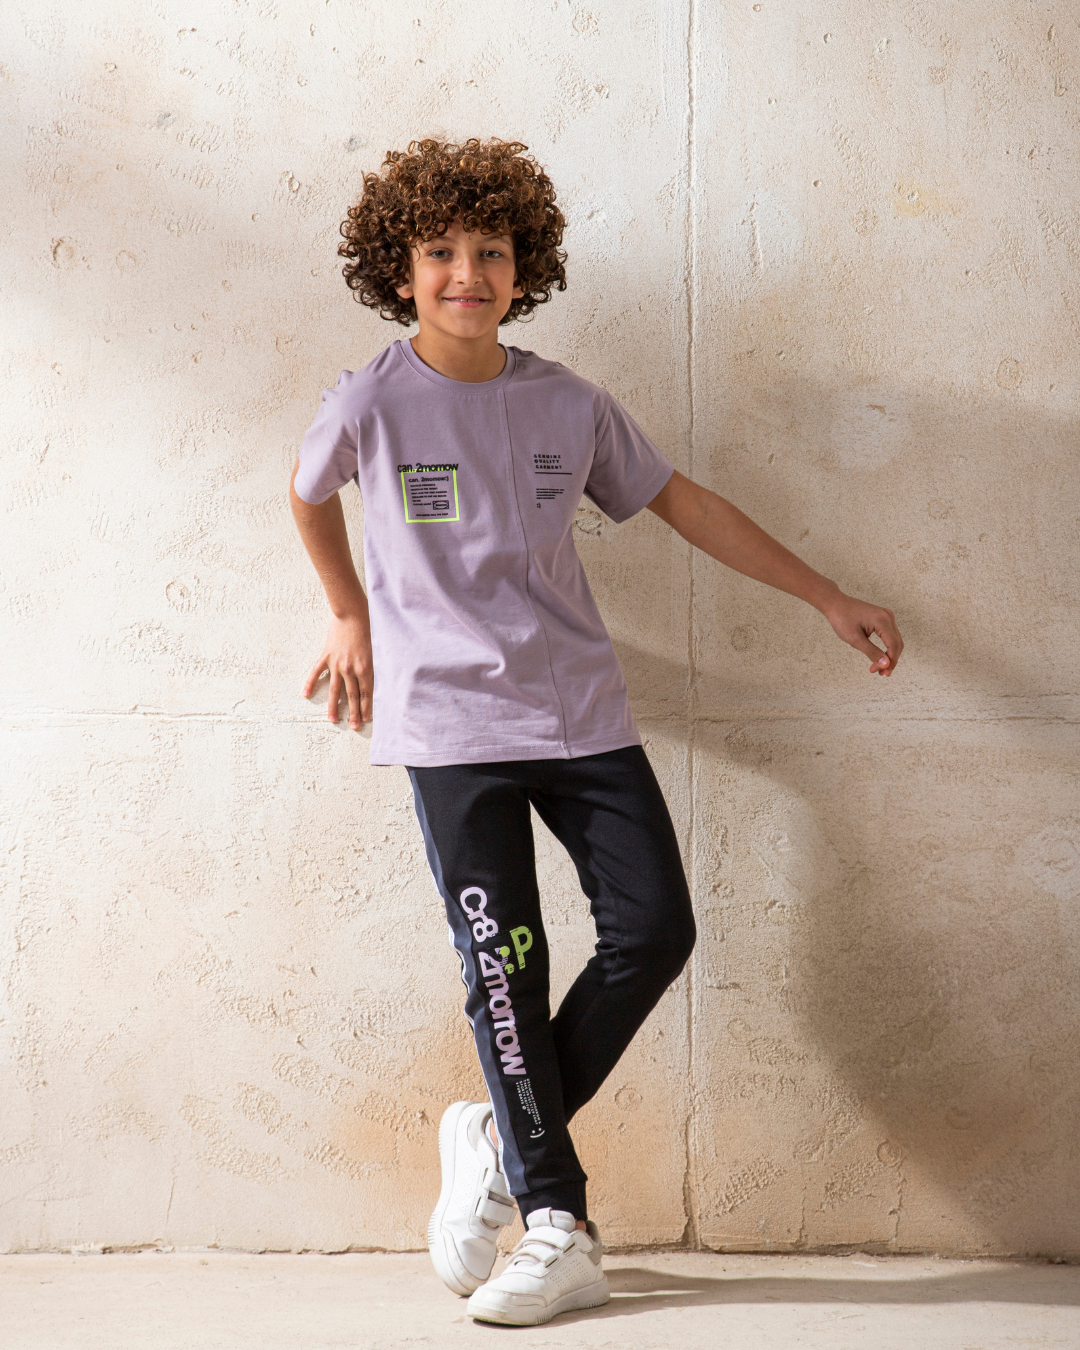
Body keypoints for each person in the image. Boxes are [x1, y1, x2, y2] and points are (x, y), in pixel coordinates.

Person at [289, 138, 903, 1327]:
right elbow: (309, 493)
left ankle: (496, 1137)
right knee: (507, 968)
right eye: (439, 252)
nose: (467, 273)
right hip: (451, 726)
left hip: (579, 716)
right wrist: (346, 612)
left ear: (524, 268)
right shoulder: (368, 402)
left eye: (491, 251)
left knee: (655, 929)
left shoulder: (568, 404)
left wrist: (825, 595)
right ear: (398, 271)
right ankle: (557, 1221)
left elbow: (685, 504)